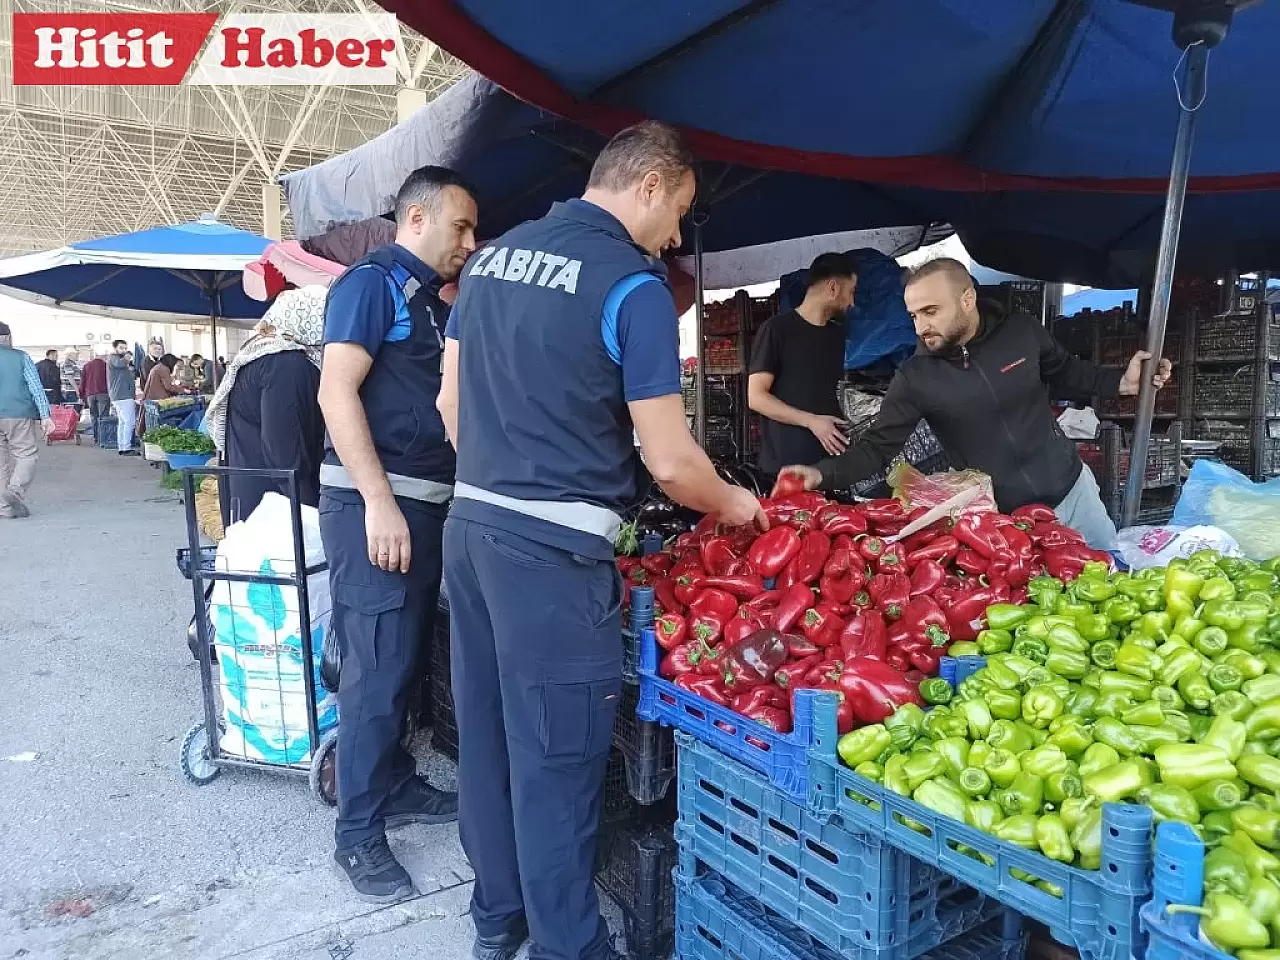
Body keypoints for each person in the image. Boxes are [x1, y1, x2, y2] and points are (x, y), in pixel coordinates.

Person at [438, 121, 764, 960]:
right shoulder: (632, 285)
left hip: (469, 530)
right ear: (650, 184)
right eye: (682, 210)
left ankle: (496, 918)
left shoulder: (490, 262)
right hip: (551, 555)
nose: (678, 234)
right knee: (556, 763)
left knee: (489, 739)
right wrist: (737, 507)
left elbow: (448, 408)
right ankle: (568, 946)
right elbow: (669, 461)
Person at [316, 165, 476, 902]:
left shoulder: (432, 302)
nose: (468, 244)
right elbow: (335, 390)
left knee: (406, 662)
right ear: (417, 219)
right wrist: (379, 502)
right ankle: (358, 834)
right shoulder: (369, 285)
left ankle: (397, 781)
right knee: (375, 672)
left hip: (422, 508)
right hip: (375, 509)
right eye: (461, 228)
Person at [776, 258, 1172, 550]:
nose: (920, 327)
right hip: (1006, 523)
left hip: (1073, 492)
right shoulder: (916, 376)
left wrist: (1122, 381)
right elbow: (876, 449)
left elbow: (1070, 374)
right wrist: (820, 475)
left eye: (931, 311)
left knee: (1115, 587)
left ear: (967, 299)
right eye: (913, 315)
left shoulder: (1022, 333)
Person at [206, 286, 326, 519]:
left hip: (250, 492)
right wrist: (308, 511)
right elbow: (284, 452)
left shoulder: (260, 354)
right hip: (273, 506)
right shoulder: (286, 364)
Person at [747, 253, 857, 477]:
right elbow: (756, 397)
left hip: (829, 467)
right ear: (833, 288)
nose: (851, 302)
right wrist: (812, 422)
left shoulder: (837, 335)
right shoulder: (776, 330)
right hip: (785, 469)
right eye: (851, 292)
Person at [0, 322, 54, 519]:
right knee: (26, 454)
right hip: (18, 414)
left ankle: (4, 508)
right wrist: (46, 416)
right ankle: (14, 491)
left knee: (0, 462)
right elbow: (36, 387)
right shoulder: (21, 357)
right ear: (7, 337)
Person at [107, 340, 139, 456]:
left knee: (123, 422)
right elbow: (119, 364)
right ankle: (126, 447)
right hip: (123, 395)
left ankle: (122, 446)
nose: (124, 350)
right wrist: (128, 357)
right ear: (115, 348)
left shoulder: (120, 361)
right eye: (121, 348)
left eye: (125, 348)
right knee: (129, 422)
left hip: (119, 395)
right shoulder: (114, 358)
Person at [79, 348, 110, 444]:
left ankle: (96, 437)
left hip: (90, 394)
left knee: (93, 416)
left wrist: (81, 395)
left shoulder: (87, 366)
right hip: (103, 393)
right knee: (103, 416)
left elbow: (82, 381)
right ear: (103, 356)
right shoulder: (106, 366)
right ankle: (103, 438)